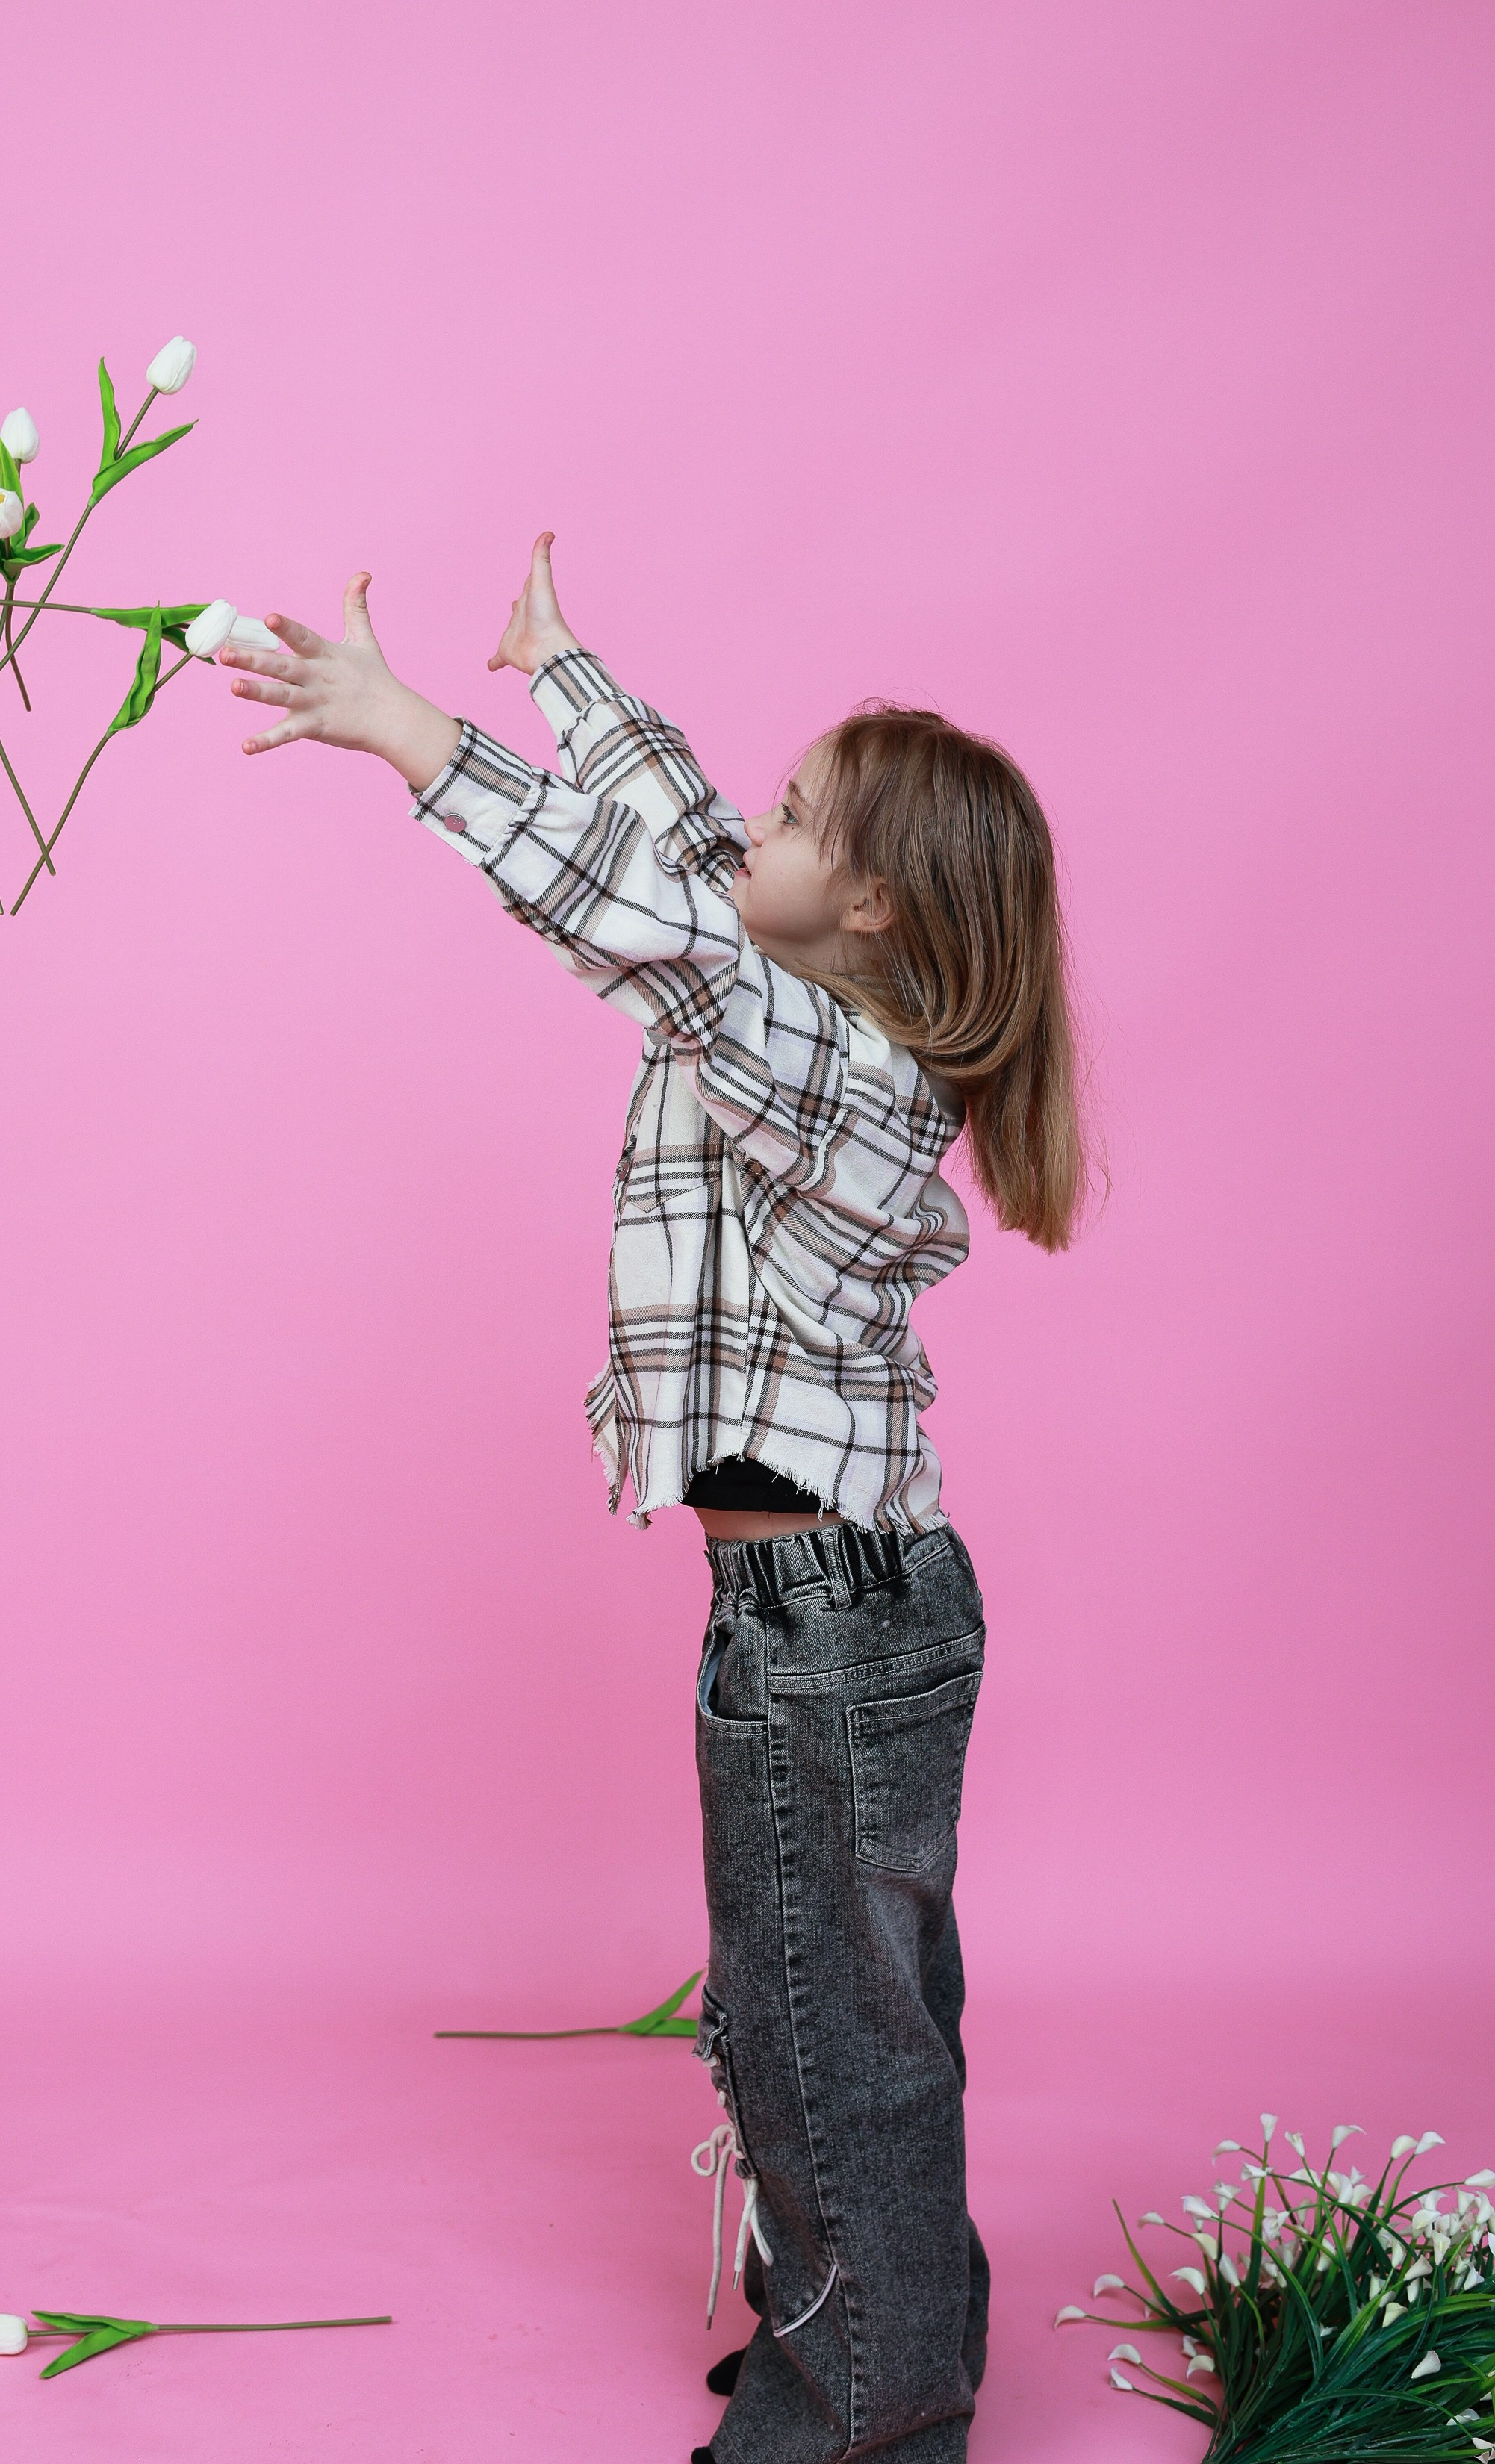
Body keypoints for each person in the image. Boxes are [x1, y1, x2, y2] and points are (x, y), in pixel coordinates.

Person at [220, 535, 1089, 2463]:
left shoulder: (829, 1064)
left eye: (799, 813)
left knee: (815, 2036)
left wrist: (414, 738)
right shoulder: (802, 976)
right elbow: (692, 852)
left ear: (865, 904)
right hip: (823, 1619)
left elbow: (654, 920)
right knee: (835, 2020)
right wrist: (568, 671)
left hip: (833, 1636)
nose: (748, 824)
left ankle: (859, 2415)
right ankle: (876, 2346)